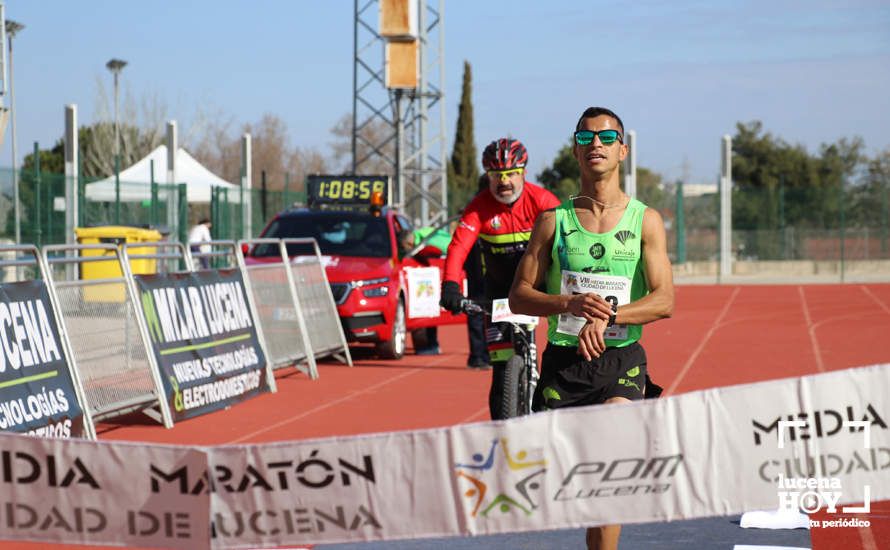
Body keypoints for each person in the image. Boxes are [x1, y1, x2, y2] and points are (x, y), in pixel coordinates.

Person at [508, 107, 674, 550]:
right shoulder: (552, 222)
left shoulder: (646, 221)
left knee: (611, 468)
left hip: (621, 361)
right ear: (575, 149)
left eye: (606, 136)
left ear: (623, 149)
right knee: (586, 486)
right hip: (565, 364)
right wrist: (570, 303)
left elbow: (664, 301)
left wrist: (609, 316)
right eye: (585, 138)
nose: (595, 144)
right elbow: (519, 296)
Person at [440, 138, 560, 419]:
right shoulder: (479, 207)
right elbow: (458, 247)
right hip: (500, 290)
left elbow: (568, 241)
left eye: (510, 174)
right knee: (500, 368)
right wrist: (451, 285)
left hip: (541, 286)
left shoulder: (542, 201)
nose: (503, 181)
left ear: (523, 174)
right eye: (496, 175)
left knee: (563, 355)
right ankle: (500, 430)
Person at [399, 225, 452, 355]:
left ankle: (431, 345)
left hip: (442, 271)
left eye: (404, 248)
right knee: (429, 308)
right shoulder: (422, 236)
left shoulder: (425, 243)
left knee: (428, 308)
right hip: (437, 272)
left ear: (408, 243)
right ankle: (431, 344)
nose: (405, 251)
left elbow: (439, 252)